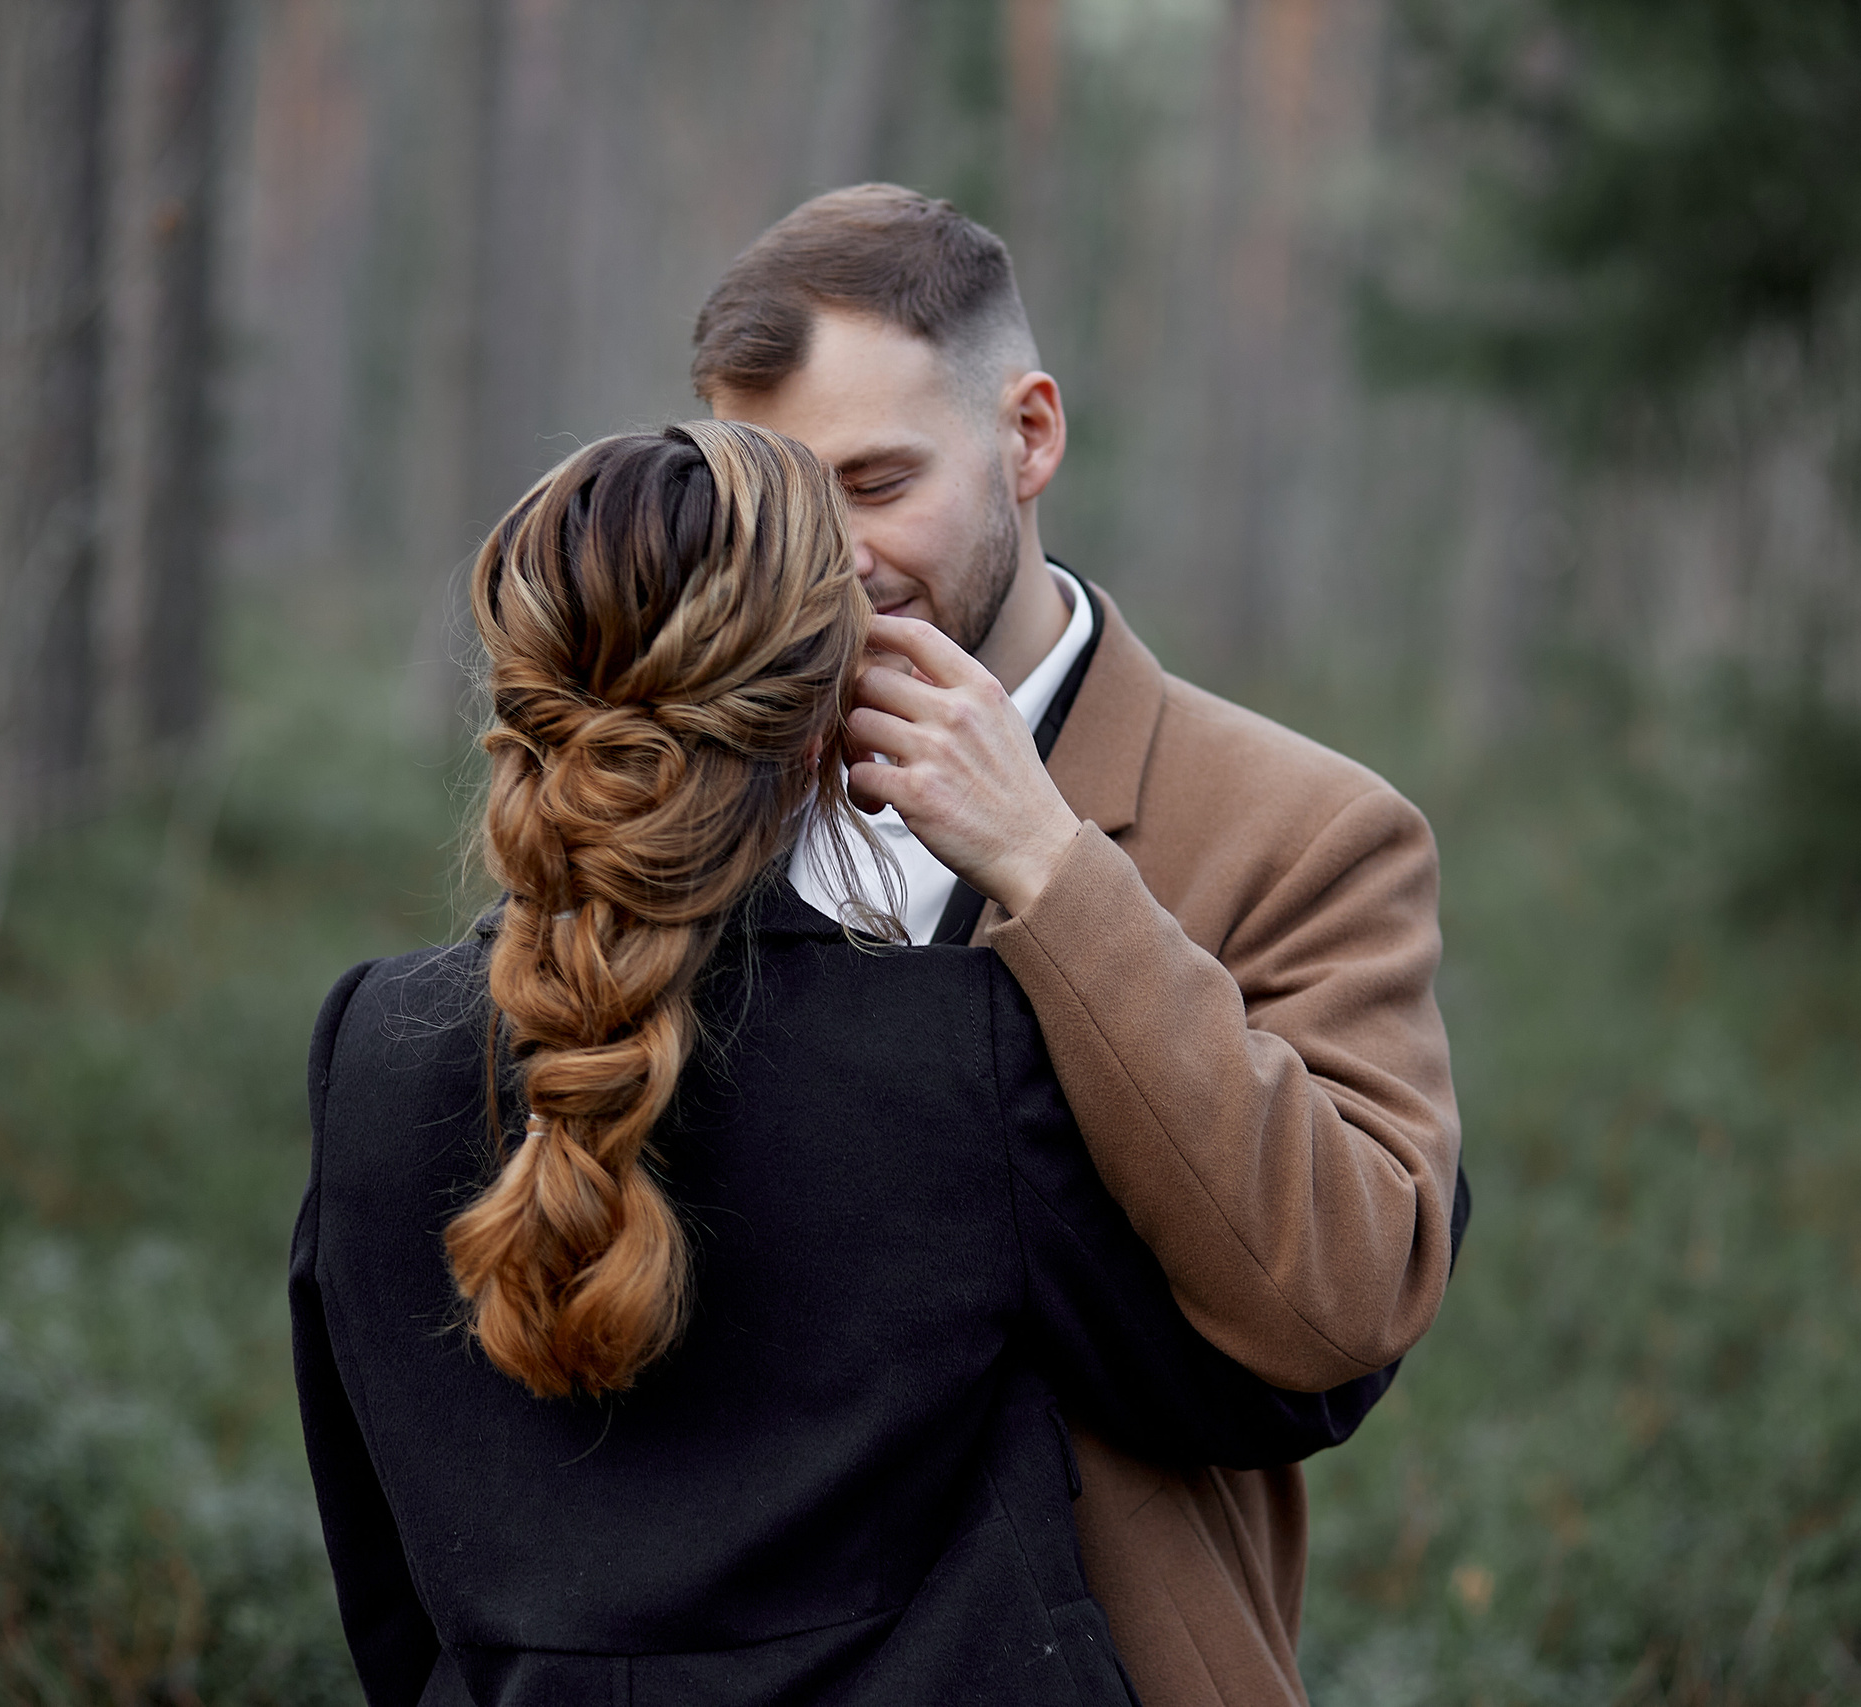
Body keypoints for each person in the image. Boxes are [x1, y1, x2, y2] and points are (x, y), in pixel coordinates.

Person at [290, 420, 1388, 1706]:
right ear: (829, 720)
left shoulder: (370, 1049)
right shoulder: (958, 1051)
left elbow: (382, 1579)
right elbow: (1266, 1390)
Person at [695, 185, 1467, 1707]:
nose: (824, 562)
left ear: (1029, 435)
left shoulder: (1311, 830)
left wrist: (1051, 867)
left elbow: (1339, 1293)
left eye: (877, 481)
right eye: (772, 501)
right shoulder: (676, 805)